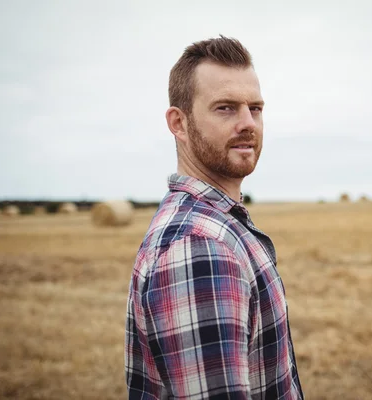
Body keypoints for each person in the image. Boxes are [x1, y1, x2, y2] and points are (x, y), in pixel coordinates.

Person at [125, 36, 304, 400]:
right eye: (225, 108)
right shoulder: (198, 246)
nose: (248, 123)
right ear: (179, 123)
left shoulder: (216, 224)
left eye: (255, 108)